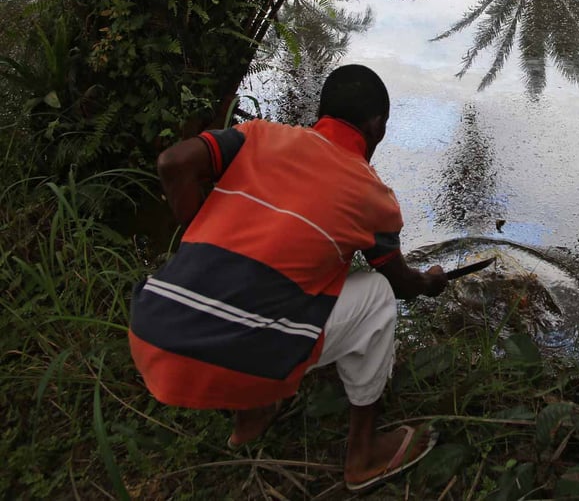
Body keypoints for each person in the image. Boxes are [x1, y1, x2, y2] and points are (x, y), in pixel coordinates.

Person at [128, 64, 448, 491]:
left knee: (267, 282)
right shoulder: (374, 197)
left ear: (322, 113)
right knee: (375, 295)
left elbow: (173, 162)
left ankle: (251, 414)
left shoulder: (257, 135)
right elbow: (401, 285)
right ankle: (364, 455)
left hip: (153, 333)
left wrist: (198, 237)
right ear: (377, 128)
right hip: (236, 358)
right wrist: (430, 282)